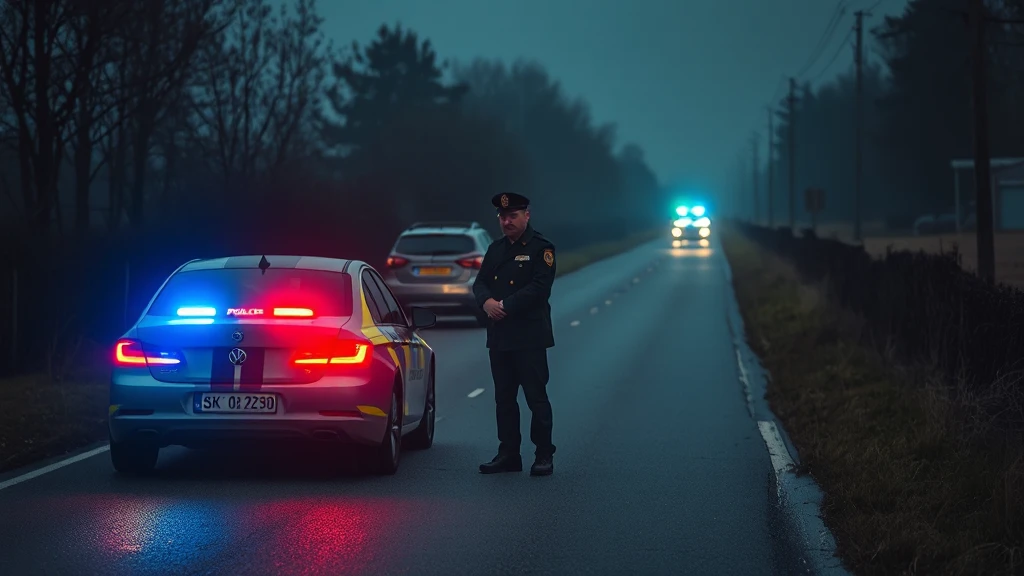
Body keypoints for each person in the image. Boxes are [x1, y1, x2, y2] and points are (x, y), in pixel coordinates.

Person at [473, 192, 557, 476]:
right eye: (503, 217)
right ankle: (508, 453)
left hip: (529, 335)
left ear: (527, 216)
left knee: (536, 397)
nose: (507, 222)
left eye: (513, 216)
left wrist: (505, 305)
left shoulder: (540, 248)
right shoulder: (495, 249)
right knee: (504, 399)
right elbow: (481, 281)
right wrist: (486, 302)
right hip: (500, 336)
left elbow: (539, 287)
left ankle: (544, 454)